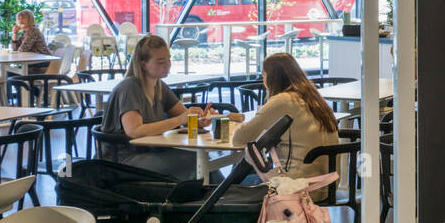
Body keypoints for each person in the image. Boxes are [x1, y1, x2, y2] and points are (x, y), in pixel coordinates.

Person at [99, 34, 210, 181]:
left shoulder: (159, 85)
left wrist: (200, 119)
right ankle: (220, 198)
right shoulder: (130, 87)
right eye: (160, 62)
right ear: (143, 64)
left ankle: (222, 197)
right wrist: (181, 119)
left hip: (150, 152)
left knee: (199, 158)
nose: (168, 65)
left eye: (169, 59)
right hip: (123, 161)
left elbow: (184, 117)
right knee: (194, 160)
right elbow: (135, 131)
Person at [232, 53, 339, 198]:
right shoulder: (313, 98)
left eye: (263, 75)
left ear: (272, 77)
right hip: (328, 185)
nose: (263, 81)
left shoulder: (282, 100)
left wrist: (238, 124)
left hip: (299, 189)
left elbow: (239, 139)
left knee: (235, 182)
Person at [11, 9, 52, 74]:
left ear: (30, 20)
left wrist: (18, 50)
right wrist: (14, 34)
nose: (20, 21)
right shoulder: (25, 32)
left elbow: (23, 50)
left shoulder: (33, 31)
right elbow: (15, 49)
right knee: (10, 71)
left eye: (23, 18)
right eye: (18, 19)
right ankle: (20, 84)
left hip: (42, 62)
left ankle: (23, 84)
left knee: (11, 72)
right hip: (33, 61)